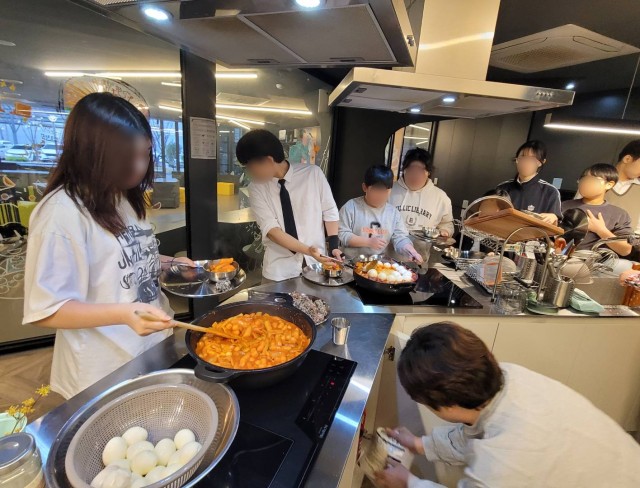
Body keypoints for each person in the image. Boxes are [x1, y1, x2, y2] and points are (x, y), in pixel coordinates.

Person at [23, 93, 194, 399]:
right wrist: (124, 313)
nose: (140, 166)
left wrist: (171, 264)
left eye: (145, 154)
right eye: (129, 157)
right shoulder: (61, 213)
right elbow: (47, 310)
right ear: (94, 154)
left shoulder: (121, 197)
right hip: (101, 368)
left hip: (148, 348)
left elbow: (124, 258)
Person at [375, 322, 640, 488]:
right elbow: (476, 430)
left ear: (446, 406)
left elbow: (497, 454)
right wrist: (420, 444)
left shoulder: (502, 464)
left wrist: (409, 482)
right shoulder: (509, 377)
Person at [236, 129, 341, 281]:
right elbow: (272, 231)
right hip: (279, 270)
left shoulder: (313, 174)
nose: (250, 173)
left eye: (250, 167)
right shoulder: (256, 188)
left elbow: (330, 210)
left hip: (316, 265)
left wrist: (334, 246)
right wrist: (308, 250)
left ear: (268, 161)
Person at [338, 165, 422, 262]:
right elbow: (342, 234)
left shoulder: (393, 213)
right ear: (365, 187)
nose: (380, 196)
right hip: (350, 263)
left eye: (385, 191)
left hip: (379, 264)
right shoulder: (350, 207)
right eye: (376, 190)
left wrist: (411, 252)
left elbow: (400, 238)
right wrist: (368, 242)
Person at [561, 164, 633, 256]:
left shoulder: (619, 214)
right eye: (583, 179)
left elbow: (625, 250)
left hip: (594, 262)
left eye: (592, 180)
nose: (585, 183)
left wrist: (600, 230)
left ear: (609, 185)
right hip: (559, 258)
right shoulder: (564, 205)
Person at [389, 148, 454, 237]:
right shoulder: (389, 190)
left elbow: (447, 224)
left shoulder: (440, 197)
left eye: (420, 171)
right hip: (390, 244)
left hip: (424, 245)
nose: (415, 176)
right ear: (404, 170)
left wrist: (445, 231)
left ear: (428, 173)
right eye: (411, 170)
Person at [496, 140, 561, 224]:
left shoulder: (550, 191)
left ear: (541, 162)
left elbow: (555, 223)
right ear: (517, 159)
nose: (526, 163)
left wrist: (554, 217)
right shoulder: (502, 187)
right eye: (522, 158)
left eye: (532, 159)